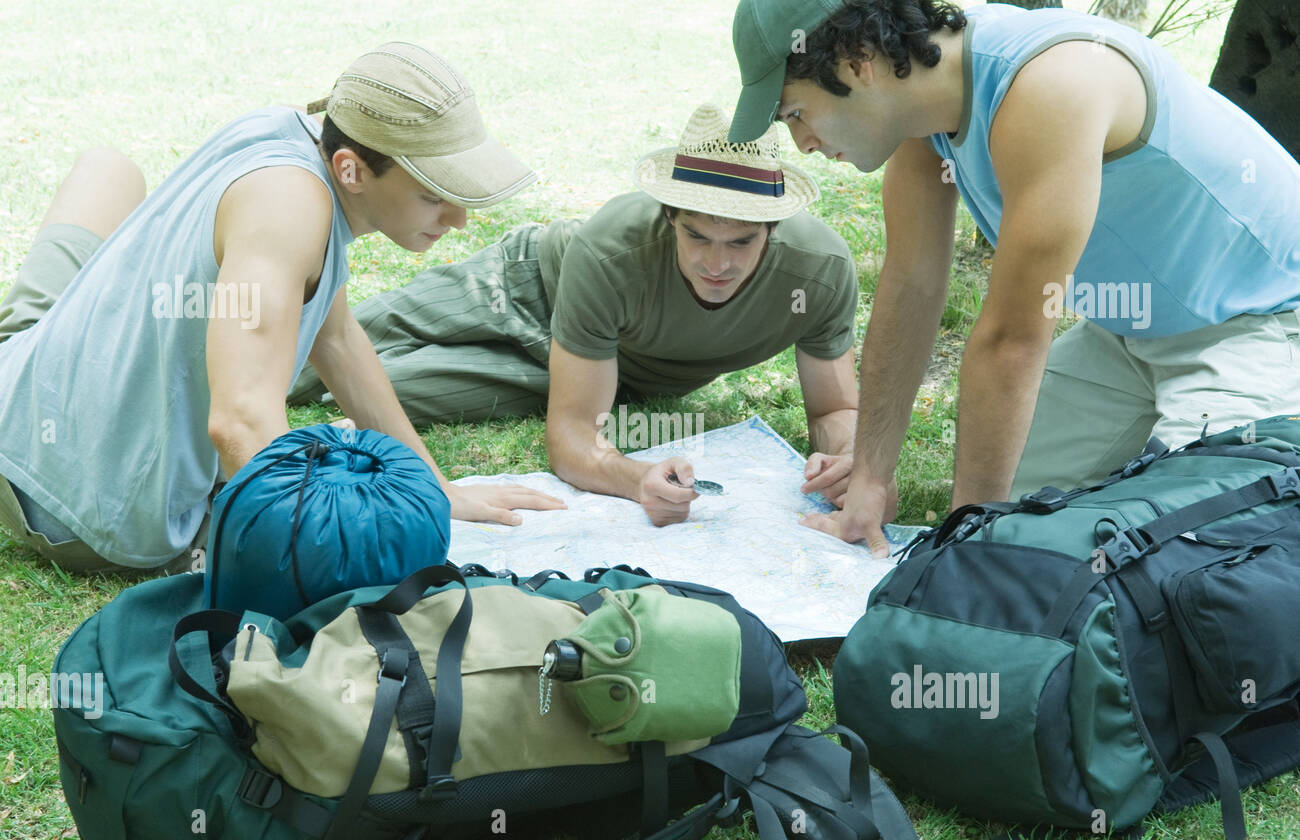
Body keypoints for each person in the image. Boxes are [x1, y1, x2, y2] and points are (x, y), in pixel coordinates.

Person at [727, 0, 1300, 555]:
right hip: (1127, 333)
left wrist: (956, 557)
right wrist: (871, 479)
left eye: (795, 113)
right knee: (1021, 517)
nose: (801, 143)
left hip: (1263, 323)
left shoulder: (1049, 84)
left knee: (1194, 551)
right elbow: (910, 287)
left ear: (858, 62)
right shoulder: (923, 105)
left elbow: (1013, 342)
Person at [0, 42, 563, 575]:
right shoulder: (291, 209)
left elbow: (337, 339)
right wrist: (305, 577)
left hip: (28, 374)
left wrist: (432, 485)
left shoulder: (289, 132)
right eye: (435, 193)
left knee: (107, 168)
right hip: (71, 505)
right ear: (352, 169)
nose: (459, 219)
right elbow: (239, 421)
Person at [291, 103, 862, 526]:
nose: (717, 263)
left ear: (773, 229)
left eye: (740, 242)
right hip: (524, 287)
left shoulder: (819, 272)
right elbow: (571, 442)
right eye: (696, 236)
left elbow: (836, 407)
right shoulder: (612, 250)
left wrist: (850, 460)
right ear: (668, 216)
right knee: (310, 349)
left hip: (600, 368)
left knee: (375, 389)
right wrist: (634, 477)